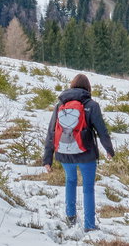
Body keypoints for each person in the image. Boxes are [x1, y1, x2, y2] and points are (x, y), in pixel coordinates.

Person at [42, 73, 115, 231]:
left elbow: (51, 131)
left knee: (70, 181)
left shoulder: (60, 104)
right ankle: (89, 225)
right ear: (88, 87)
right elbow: (102, 130)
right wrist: (109, 150)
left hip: (64, 152)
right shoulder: (92, 105)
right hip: (86, 152)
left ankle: (70, 217)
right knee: (88, 188)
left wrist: (47, 159)